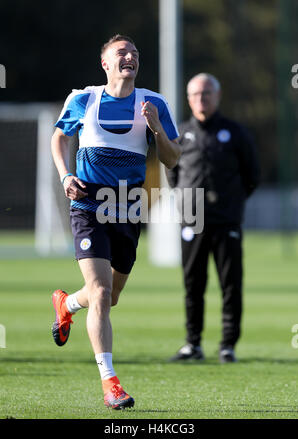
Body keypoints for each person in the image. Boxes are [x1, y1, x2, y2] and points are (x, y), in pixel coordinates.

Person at [51, 34, 180, 409]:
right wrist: (64, 176)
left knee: (109, 297)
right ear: (105, 63)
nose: (130, 57)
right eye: (121, 53)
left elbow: (172, 159)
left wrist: (155, 127)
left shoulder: (153, 103)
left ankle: (66, 304)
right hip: (89, 205)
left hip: (128, 208)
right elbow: (59, 138)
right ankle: (110, 383)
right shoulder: (84, 99)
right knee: (102, 292)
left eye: (135, 53)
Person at [167, 73, 260, 363]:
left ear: (217, 96)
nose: (201, 99)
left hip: (226, 221)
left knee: (230, 284)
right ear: (188, 99)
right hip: (192, 221)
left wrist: (231, 203)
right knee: (193, 284)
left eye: (206, 93)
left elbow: (252, 175)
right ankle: (192, 344)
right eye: (195, 94)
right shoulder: (180, 134)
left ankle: (227, 345)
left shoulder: (234, 132)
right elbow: (172, 176)